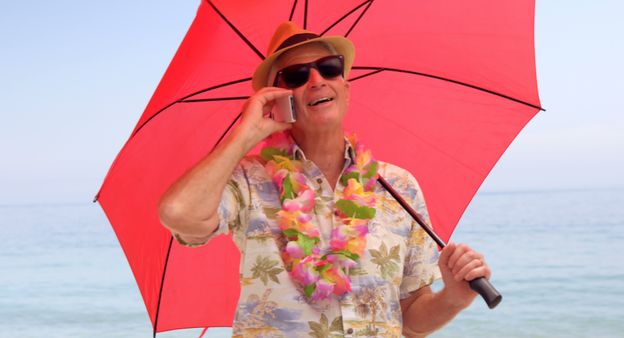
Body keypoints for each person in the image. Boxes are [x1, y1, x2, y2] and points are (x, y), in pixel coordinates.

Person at [158, 22, 491, 338]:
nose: (316, 80)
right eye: (296, 75)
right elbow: (178, 212)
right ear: (278, 100)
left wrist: (453, 298)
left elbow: (410, 319)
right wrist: (244, 136)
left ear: (345, 87)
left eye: (329, 67)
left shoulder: (398, 186)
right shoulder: (246, 181)